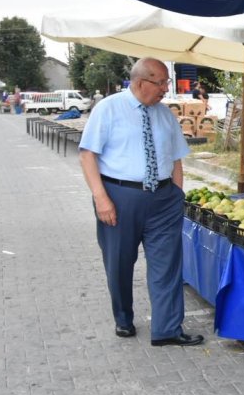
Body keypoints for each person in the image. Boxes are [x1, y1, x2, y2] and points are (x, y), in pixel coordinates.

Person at [78, 58, 204, 347]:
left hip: (163, 199)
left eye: (166, 83)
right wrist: (101, 199)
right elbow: (87, 155)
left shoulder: (165, 114)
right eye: (160, 82)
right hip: (119, 197)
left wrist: (177, 195)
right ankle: (123, 318)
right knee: (119, 262)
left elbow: (175, 159)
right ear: (140, 82)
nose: (165, 88)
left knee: (167, 264)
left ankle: (167, 328)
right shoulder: (108, 108)